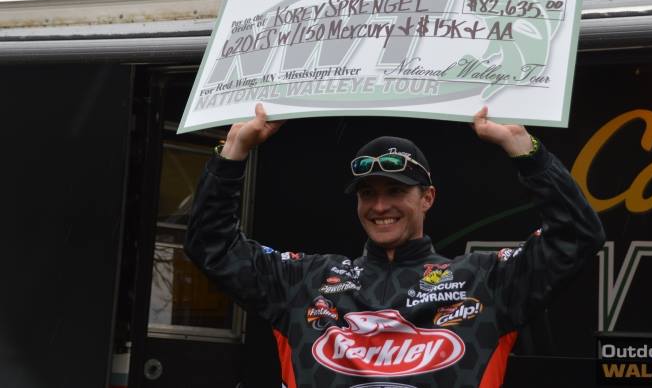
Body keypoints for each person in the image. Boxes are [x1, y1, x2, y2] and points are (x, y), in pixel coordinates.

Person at [184, 103, 605, 387]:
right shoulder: (305, 282)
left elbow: (577, 235)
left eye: (396, 191)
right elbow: (211, 245)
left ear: (428, 198)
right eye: (368, 193)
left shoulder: (484, 282)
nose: (380, 206)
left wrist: (525, 151)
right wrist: (233, 152)